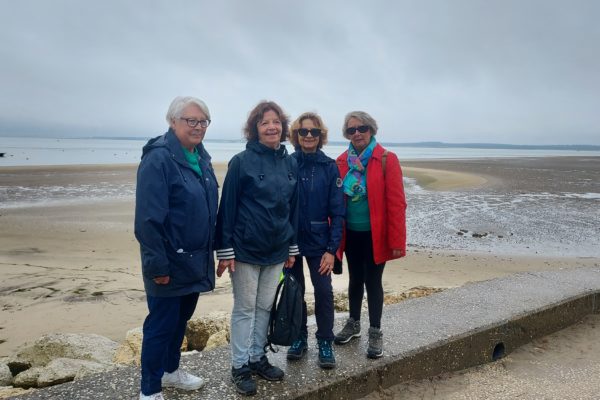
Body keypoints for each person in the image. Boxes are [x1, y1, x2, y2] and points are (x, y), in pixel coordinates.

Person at [134, 96, 218, 400]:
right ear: (173, 121)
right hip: (168, 263)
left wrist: (218, 253)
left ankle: (171, 372)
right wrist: (157, 266)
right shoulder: (159, 159)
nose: (198, 127)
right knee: (160, 325)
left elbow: (209, 211)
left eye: (203, 121)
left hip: (195, 261)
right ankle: (150, 390)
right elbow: (147, 220)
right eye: (190, 120)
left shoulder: (200, 157)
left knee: (180, 321)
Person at [215, 101, 299, 396]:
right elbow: (228, 207)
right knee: (245, 308)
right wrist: (225, 250)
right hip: (246, 250)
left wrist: (292, 246)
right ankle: (239, 366)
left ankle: (256, 357)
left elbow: (293, 208)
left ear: (283, 127)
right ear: (255, 129)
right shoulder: (241, 162)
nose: (271, 127)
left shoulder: (290, 162)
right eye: (265, 123)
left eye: (276, 121)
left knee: (264, 306)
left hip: (277, 249)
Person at [333, 111, 407, 359]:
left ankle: (375, 331)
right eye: (351, 130)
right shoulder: (341, 162)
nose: (357, 133)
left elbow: (396, 204)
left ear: (371, 130)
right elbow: (334, 204)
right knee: (354, 279)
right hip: (351, 233)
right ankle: (354, 323)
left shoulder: (386, 159)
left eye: (362, 128)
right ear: (346, 134)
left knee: (373, 282)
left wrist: (396, 242)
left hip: (376, 235)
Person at [286, 112, 344, 368]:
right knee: (294, 291)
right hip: (291, 243)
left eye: (314, 132)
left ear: (321, 136)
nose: (308, 135)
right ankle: (299, 337)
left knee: (323, 291)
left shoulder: (330, 167)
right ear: (296, 135)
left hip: (320, 243)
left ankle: (325, 341)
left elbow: (338, 212)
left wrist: (332, 250)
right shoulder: (286, 164)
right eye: (303, 131)